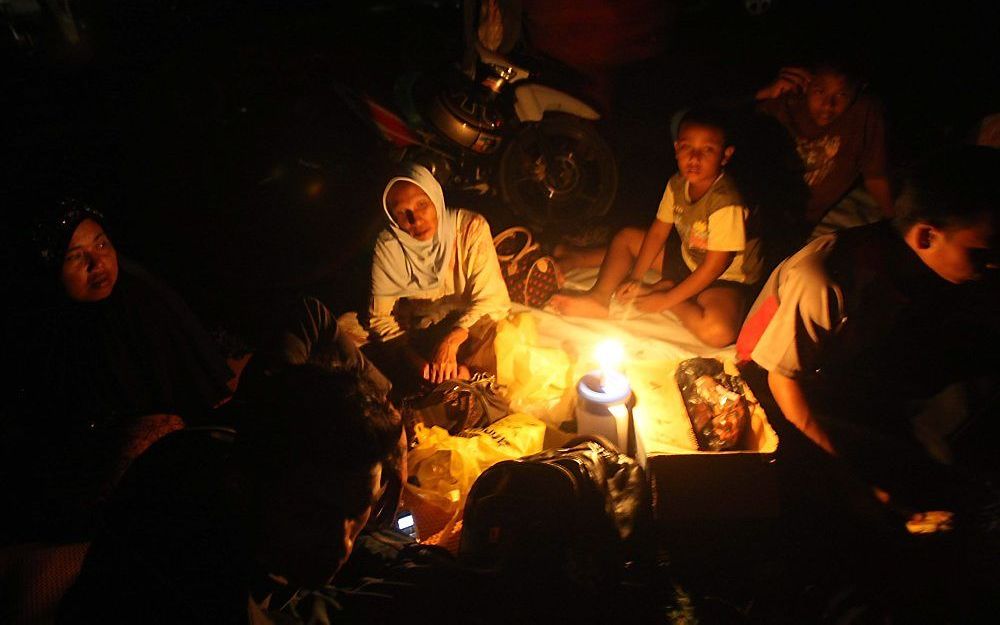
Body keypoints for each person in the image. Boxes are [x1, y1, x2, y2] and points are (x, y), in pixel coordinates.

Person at [736, 145, 999, 514]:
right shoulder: (827, 278)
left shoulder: (918, 271)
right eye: (983, 254)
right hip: (768, 387)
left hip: (833, 373)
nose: (992, 266)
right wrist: (854, 480)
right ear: (926, 237)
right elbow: (782, 384)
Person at [57, 365, 406, 625]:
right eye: (311, 516)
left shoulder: (246, 455)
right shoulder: (187, 553)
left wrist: (404, 556)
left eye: (359, 510)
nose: (340, 544)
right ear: (244, 486)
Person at [2, 198, 234, 540]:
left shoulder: (141, 303)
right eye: (75, 256)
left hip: (151, 468)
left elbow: (191, 399)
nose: (97, 263)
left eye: (100, 244)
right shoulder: (41, 334)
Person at [550, 108, 763, 348]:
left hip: (724, 278)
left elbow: (715, 267)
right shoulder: (677, 184)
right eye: (686, 147)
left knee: (717, 332)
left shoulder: (726, 202)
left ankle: (672, 294)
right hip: (686, 260)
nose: (694, 158)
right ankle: (599, 298)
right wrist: (636, 278)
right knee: (627, 237)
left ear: (725, 155)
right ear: (676, 148)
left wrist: (664, 300)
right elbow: (658, 232)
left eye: (708, 150)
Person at [366, 162, 510, 389]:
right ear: (392, 218)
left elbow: (491, 300)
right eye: (403, 213)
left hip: (467, 326)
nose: (416, 219)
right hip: (419, 329)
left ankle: (468, 381)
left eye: (422, 204)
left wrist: (451, 341)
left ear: (435, 198)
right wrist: (417, 363)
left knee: (490, 334)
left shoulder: (470, 228)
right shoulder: (389, 245)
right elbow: (380, 318)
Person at [754, 60, 894, 237]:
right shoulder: (783, 103)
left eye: (842, 95)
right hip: (763, 211)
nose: (828, 105)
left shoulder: (864, 113)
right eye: (820, 92)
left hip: (801, 223)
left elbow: (875, 176)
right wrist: (759, 94)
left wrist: (895, 222)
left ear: (857, 91)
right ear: (806, 84)